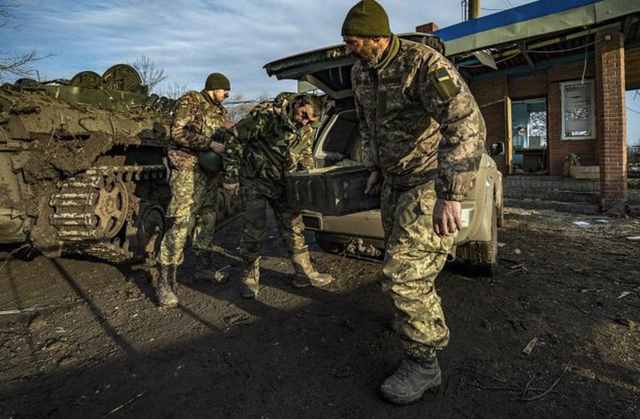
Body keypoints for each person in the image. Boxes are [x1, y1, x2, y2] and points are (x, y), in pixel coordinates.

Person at [341, 0, 486, 404]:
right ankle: (412, 318)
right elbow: (369, 125)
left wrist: (451, 194)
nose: (349, 49)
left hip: (428, 180)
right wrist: (374, 165)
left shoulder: (423, 65)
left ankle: (424, 365)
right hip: (394, 182)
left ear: (377, 38)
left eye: (354, 42)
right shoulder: (360, 72)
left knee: (404, 275)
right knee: (404, 264)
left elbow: (466, 123)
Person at [224, 93, 335, 299]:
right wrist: (231, 176)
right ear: (297, 105)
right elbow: (233, 137)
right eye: (303, 115)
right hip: (254, 181)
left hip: (284, 184)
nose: (305, 121)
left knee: (294, 228)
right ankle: (249, 277)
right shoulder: (266, 118)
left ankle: (304, 273)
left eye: (310, 120)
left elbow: (304, 155)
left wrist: (307, 179)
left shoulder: (307, 129)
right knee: (254, 230)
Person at [155, 72, 234, 308]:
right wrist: (210, 144)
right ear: (214, 87)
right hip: (188, 170)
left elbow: (224, 131)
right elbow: (177, 133)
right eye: (225, 91)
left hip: (210, 173)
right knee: (180, 221)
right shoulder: (190, 101)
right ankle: (165, 283)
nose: (227, 96)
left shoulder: (219, 111)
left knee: (207, 217)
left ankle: (203, 268)